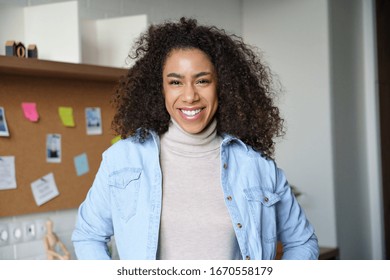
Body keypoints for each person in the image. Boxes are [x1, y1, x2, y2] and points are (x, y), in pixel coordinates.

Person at [72, 17, 319, 260]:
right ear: (160, 89)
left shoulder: (258, 167)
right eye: (175, 82)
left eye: (202, 80)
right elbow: (87, 236)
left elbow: (302, 241)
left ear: (221, 85)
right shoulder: (122, 160)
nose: (189, 96)